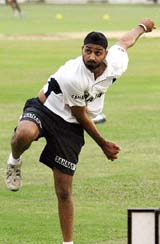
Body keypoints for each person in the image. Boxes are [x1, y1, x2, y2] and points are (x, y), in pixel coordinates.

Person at [5, 18, 155, 244]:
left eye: (97, 52)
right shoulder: (73, 75)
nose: (92, 57)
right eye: (87, 51)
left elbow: (125, 41)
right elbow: (80, 114)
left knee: (64, 191)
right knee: (23, 134)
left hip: (70, 127)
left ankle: (68, 243)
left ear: (105, 54)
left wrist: (143, 27)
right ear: (81, 50)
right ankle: (14, 161)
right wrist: (103, 144)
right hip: (46, 109)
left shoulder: (117, 62)